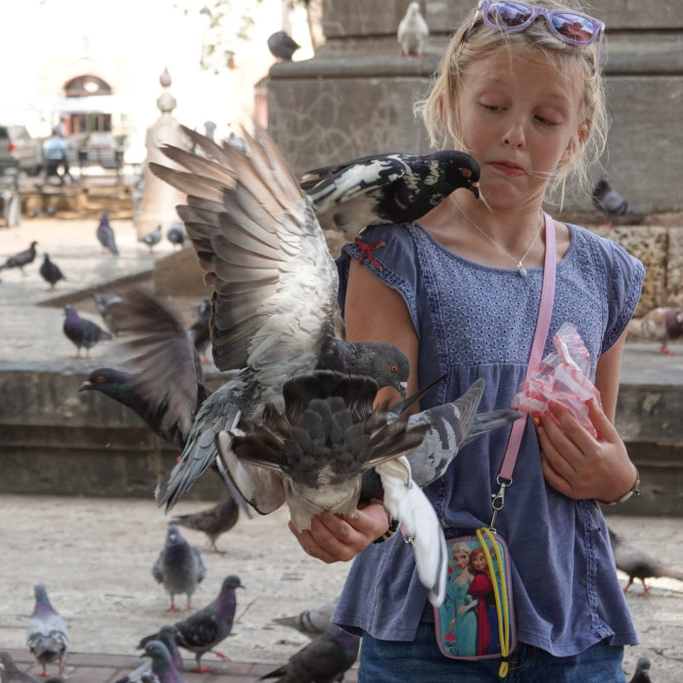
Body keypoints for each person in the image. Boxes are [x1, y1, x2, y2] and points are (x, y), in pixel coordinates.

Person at [291, 1, 643, 680]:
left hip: (575, 623)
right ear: (450, 104)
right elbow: (381, 445)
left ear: (577, 135)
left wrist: (619, 476)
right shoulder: (393, 257)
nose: (515, 135)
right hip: (429, 623)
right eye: (492, 105)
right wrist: (355, 516)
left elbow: (603, 441)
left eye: (544, 119)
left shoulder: (605, 273)